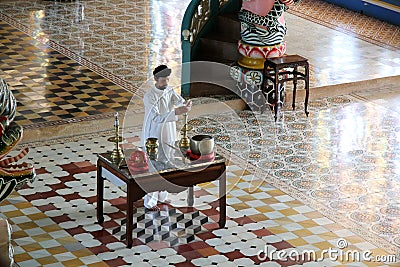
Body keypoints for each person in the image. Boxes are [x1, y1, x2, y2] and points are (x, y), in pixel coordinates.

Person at [141, 65, 192, 211]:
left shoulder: (169, 89)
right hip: (154, 134)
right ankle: (149, 201)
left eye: (168, 80)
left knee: (167, 163)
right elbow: (156, 118)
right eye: (163, 80)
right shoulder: (149, 96)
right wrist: (177, 112)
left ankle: (162, 197)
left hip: (168, 132)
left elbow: (179, 101)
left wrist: (186, 104)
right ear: (156, 79)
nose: (166, 83)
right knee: (153, 166)